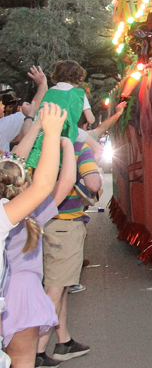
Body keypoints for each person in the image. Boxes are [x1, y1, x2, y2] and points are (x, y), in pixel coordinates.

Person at [3, 104, 74, 368]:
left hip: (4, 289)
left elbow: (11, 162)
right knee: (22, 361)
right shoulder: (28, 215)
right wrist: (62, 142)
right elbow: (58, 184)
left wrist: (35, 125)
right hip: (21, 294)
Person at [34, 141, 98, 363]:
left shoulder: (38, 146)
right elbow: (93, 182)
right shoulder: (77, 146)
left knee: (57, 286)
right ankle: (37, 352)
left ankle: (64, 342)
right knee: (55, 289)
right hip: (65, 226)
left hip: (41, 223)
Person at [0, 67, 47, 154]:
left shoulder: (2, 127)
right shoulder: (2, 128)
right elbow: (32, 111)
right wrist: (42, 84)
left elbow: (32, 110)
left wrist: (42, 85)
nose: (2, 106)